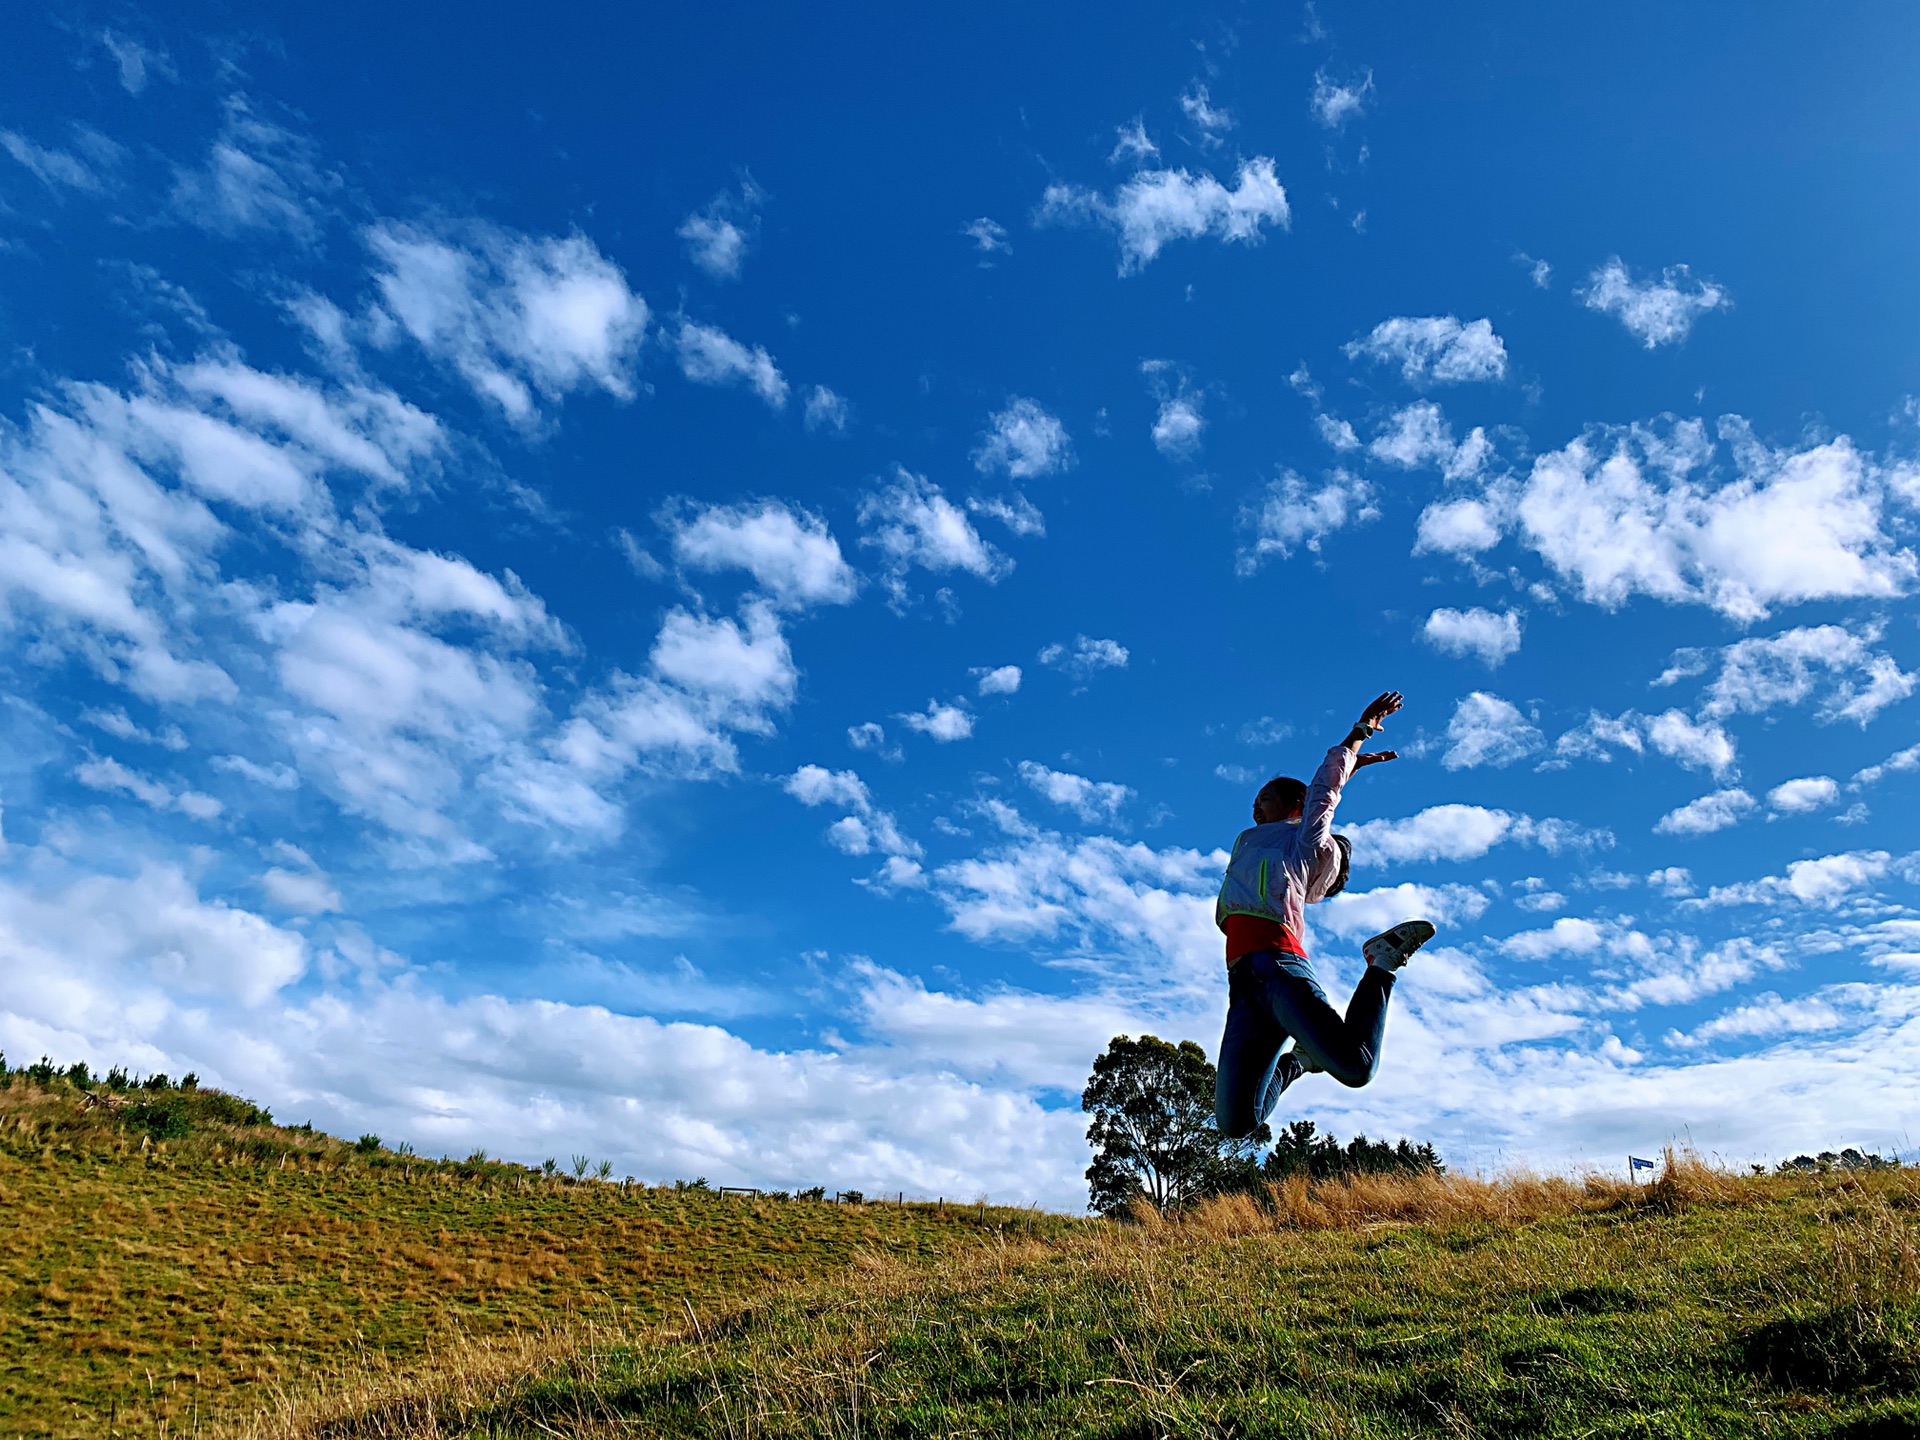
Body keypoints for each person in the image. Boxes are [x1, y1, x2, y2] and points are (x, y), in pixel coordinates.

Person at [1213, 690, 1435, 1140]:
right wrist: (1352, 766)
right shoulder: (1250, 840)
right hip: (1243, 984)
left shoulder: (1302, 841)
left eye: (1265, 798)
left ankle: (1382, 963)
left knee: (1356, 1066)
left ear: (1296, 807)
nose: (1255, 807)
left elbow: (1323, 793)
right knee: (1238, 1122)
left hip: (1278, 969)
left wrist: (1357, 736)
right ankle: (1299, 1061)